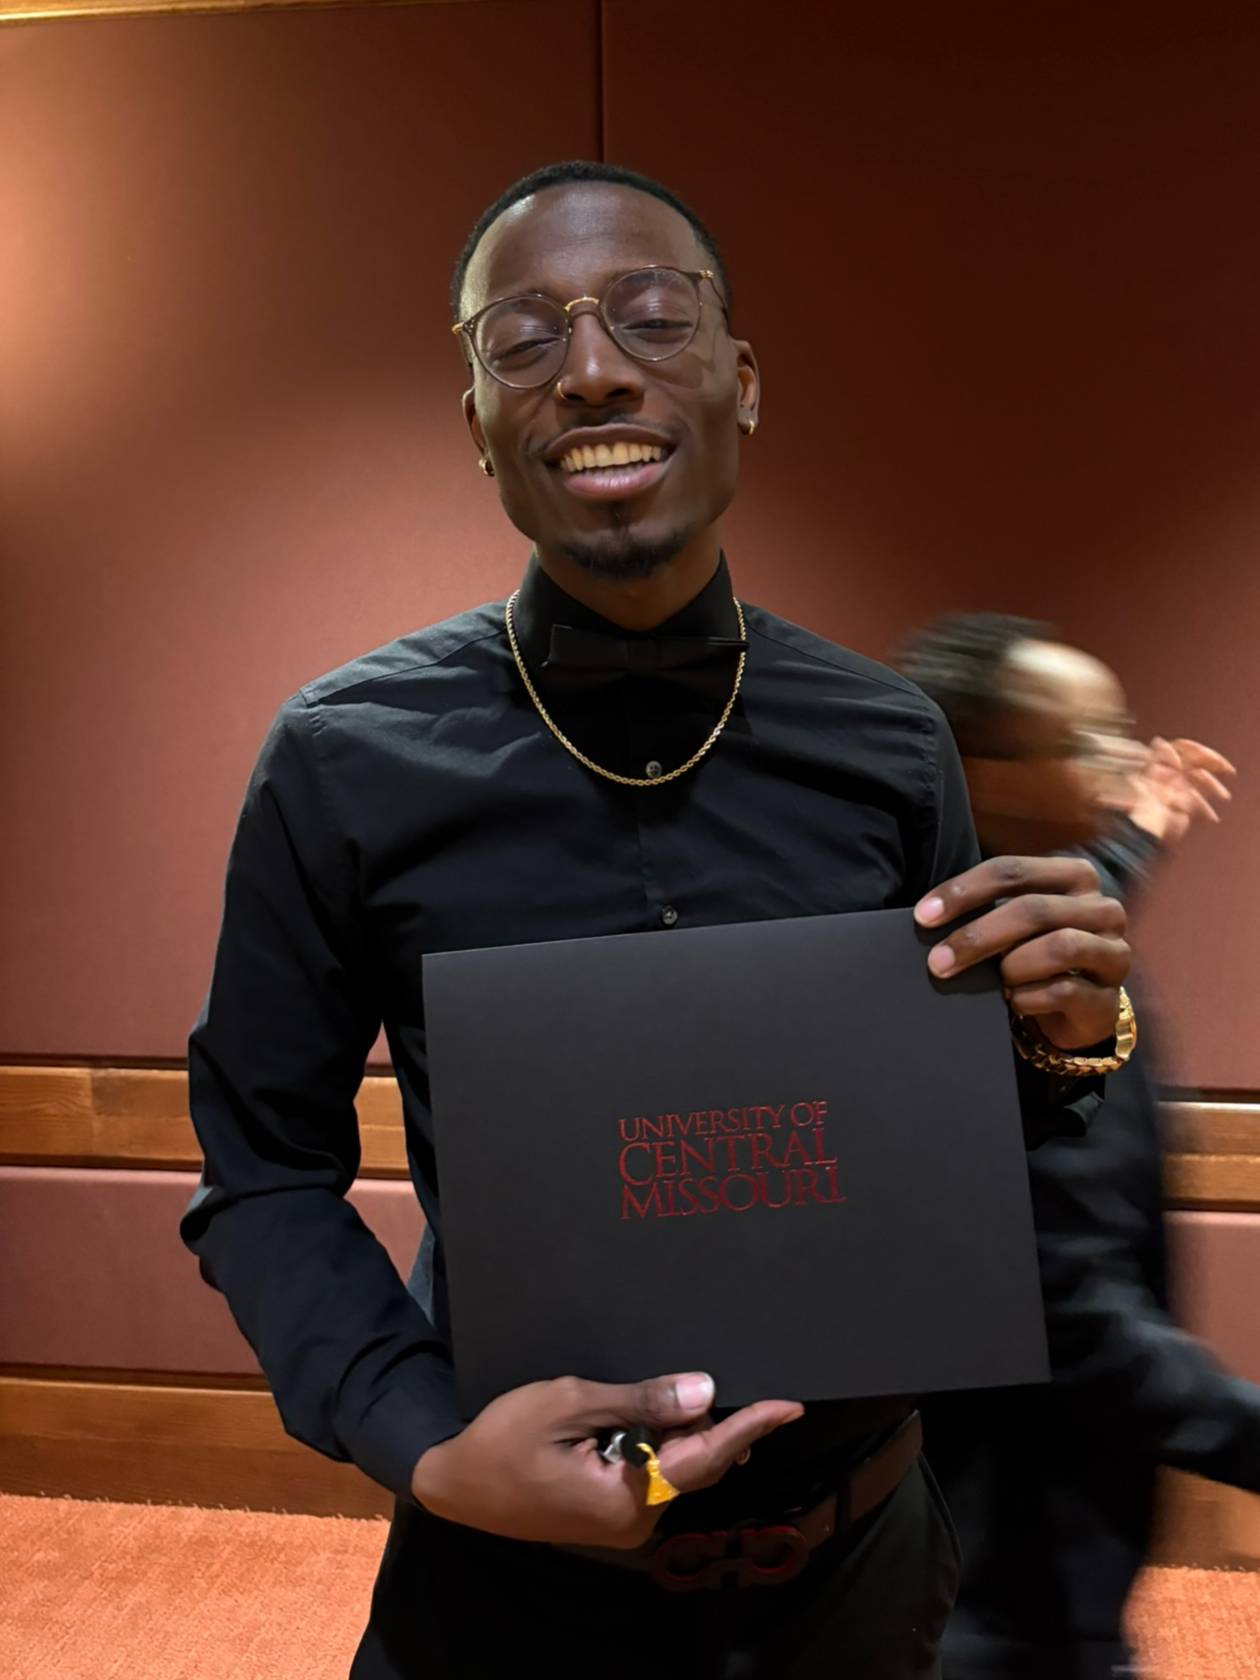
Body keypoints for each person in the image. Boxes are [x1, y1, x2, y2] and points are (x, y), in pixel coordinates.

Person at [181, 164, 1135, 1680]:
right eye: (524, 341)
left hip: (865, 1575)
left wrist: (1074, 1038)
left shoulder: (892, 743)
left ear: (741, 383)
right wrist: (424, 1445)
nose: (595, 368)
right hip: (509, 1599)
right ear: (478, 426)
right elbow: (261, 1168)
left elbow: (945, 1140)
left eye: (648, 316)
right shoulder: (339, 759)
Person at [898, 613, 1256, 1680]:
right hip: (1000, 1582)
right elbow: (1075, 1314)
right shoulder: (992, 1000)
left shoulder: (1015, 937)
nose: (1124, 761)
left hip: (1018, 1562)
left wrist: (1137, 835)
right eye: (1087, 742)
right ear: (982, 771)